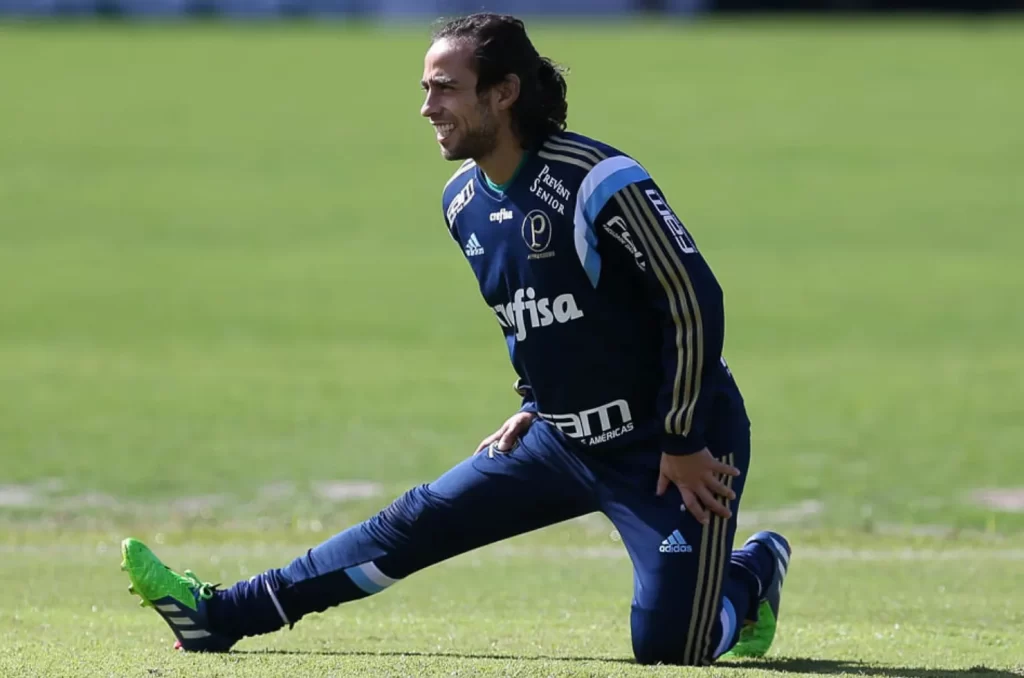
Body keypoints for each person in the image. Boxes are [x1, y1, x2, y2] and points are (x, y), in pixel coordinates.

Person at [119, 12, 792, 666]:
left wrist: (682, 439)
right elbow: (534, 313)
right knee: (412, 525)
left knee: (671, 648)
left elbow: (692, 300)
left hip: (673, 446)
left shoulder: (597, 179)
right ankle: (221, 616)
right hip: (559, 439)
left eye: (446, 88)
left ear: (503, 93)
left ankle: (750, 576)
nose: (427, 107)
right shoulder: (461, 201)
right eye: (425, 89)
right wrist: (535, 400)